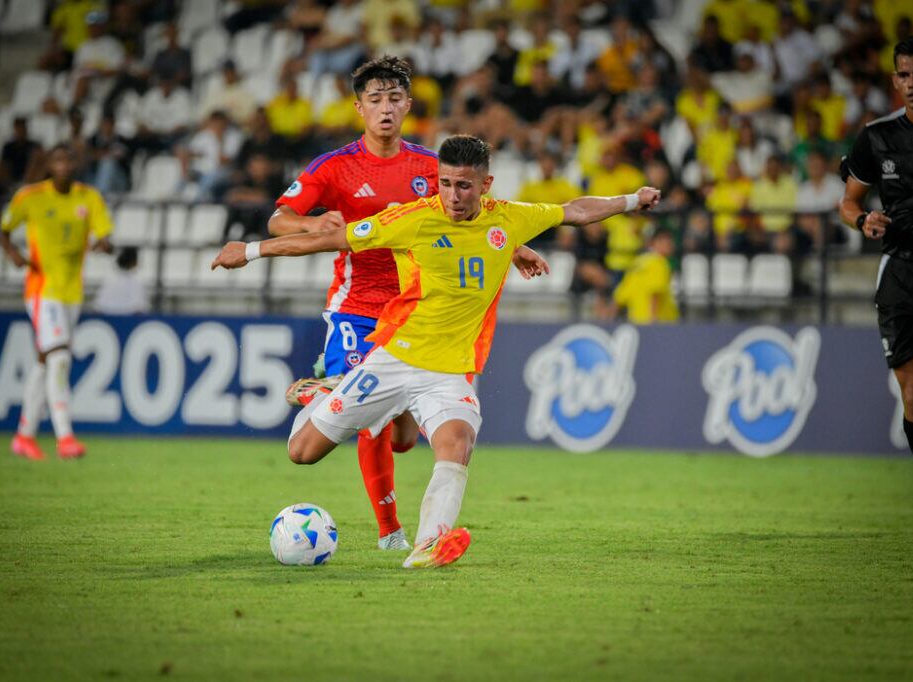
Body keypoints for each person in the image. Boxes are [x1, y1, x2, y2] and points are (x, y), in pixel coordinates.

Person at [211, 135, 661, 568]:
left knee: (456, 442)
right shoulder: (412, 219)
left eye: (463, 185)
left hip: (448, 372)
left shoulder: (509, 219)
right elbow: (328, 240)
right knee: (302, 452)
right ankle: (325, 393)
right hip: (393, 361)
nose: (452, 195)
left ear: (485, 185)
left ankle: (428, 544)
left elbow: (574, 211)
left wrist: (631, 200)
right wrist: (249, 251)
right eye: (444, 183)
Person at [268, 57, 547, 551]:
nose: (385, 108)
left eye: (394, 98)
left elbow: (473, 217)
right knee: (369, 427)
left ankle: (324, 391)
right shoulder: (334, 167)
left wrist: (516, 246)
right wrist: (313, 224)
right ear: (359, 108)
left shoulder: (430, 166)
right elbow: (279, 221)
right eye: (375, 99)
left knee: (402, 439)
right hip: (356, 305)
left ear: (408, 105)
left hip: (414, 311)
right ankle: (390, 532)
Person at [838, 35, 913, 532]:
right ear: (895, 80)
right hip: (902, 275)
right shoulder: (876, 137)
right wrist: (863, 221)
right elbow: (848, 201)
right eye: (905, 74)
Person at [0, 144, 114, 461]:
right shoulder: (30, 196)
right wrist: (13, 253)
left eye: (69, 160)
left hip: (72, 292)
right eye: (58, 160)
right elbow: (4, 229)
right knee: (60, 357)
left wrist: (104, 244)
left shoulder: (89, 197)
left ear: (77, 164)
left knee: (44, 361)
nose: (64, 166)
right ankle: (65, 437)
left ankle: (24, 436)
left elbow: (105, 234)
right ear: (49, 165)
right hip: (41, 289)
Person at [613, 227, 679, 324]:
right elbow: (655, 291)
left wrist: (610, 317)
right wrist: (653, 319)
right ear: (653, 243)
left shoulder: (637, 262)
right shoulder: (659, 263)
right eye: (666, 243)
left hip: (636, 320)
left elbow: (621, 295)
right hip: (659, 322)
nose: (669, 246)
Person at [93, 246, 148, 315]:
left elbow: (98, 306)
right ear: (134, 263)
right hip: (127, 318)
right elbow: (140, 308)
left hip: (107, 316)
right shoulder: (136, 281)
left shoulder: (109, 278)